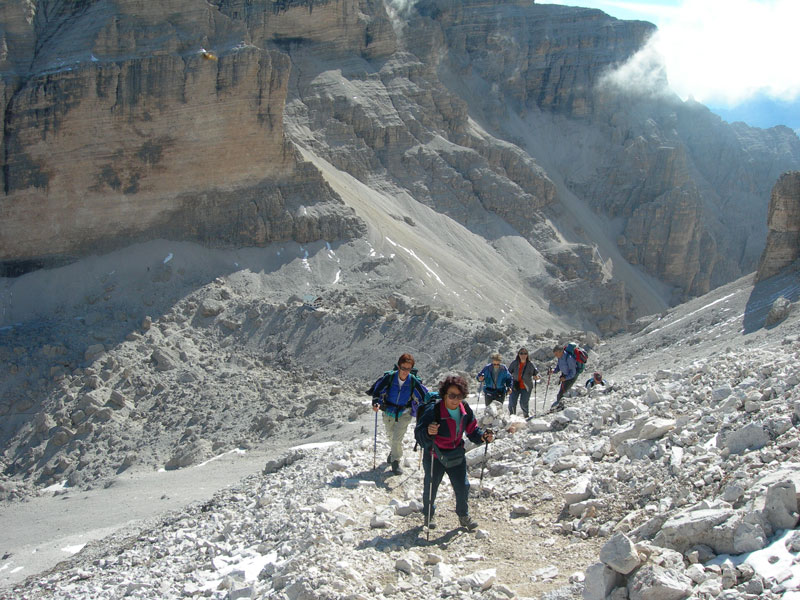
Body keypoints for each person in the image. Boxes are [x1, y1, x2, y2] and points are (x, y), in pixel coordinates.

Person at [414, 375, 494, 531]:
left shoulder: (464, 409)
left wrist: (483, 437)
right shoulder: (433, 411)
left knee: (463, 486)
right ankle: (428, 515)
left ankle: (463, 516)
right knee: (431, 486)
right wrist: (429, 432)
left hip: (456, 454)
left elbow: (472, 431)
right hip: (434, 455)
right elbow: (419, 434)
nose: (455, 399)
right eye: (451, 395)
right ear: (444, 395)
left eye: (459, 396)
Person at [368, 353, 428, 475]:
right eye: (403, 368)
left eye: (408, 369)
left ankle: (395, 461)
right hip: (389, 411)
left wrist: (425, 410)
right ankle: (393, 452)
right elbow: (378, 391)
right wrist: (376, 403)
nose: (405, 371)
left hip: (405, 412)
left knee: (397, 439)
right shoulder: (389, 378)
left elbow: (422, 397)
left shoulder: (413, 381)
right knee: (390, 436)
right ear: (399, 366)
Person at [507, 347, 540, 418]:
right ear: (518, 354)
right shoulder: (514, 363)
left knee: (523, 403)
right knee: (512, 402)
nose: (523, 355)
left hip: (526, 386)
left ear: (527, 355)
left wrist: (536, 377)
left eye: (525, 353)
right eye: (521, 353)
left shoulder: (530, 364)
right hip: (515, 385)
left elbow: (536, 373)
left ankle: (526, 416)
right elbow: (508, 373)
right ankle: (512, 417)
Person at [550, 345, 577, 412]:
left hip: (570, 378)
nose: (556, 356)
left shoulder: (569, 358)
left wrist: (566, 378)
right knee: (561, 393)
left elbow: (573, 372)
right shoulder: (560, 357)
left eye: (556, 354)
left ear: (561, 351)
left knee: (562, 394)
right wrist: (553, 371)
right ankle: (560, 408)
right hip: (564, 376)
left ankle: (561, 409)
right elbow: (558, 367)